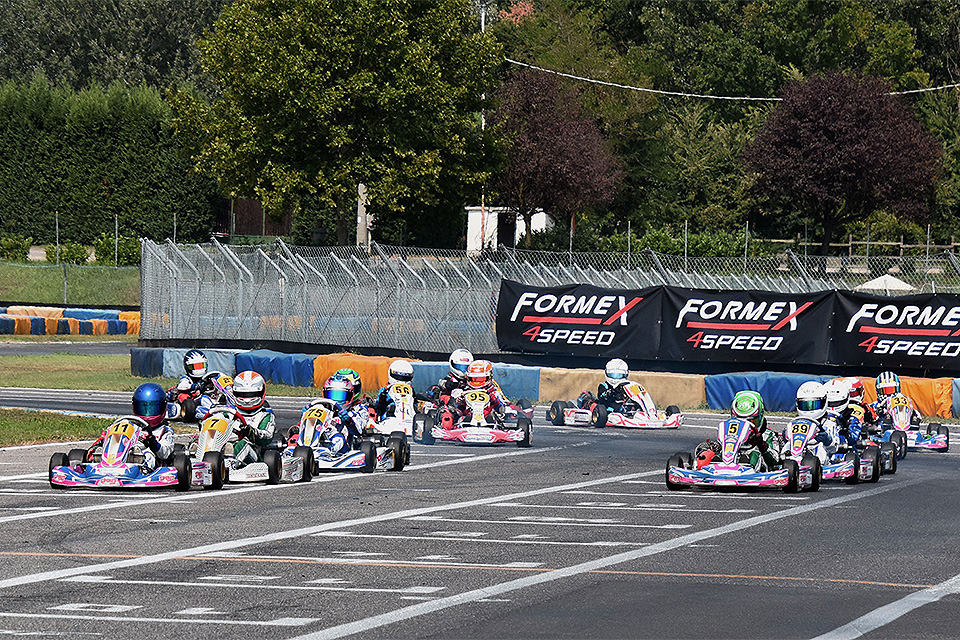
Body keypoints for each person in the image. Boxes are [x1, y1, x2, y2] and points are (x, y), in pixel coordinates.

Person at [229, 371, 277, 468]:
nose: (247, 399)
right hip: (225, 444)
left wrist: (251, 432)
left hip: (253, 451)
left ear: (261, 393)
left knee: (242, 444)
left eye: (251, 394)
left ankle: (228, 465)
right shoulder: (228, 413)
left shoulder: (265, 416)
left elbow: (267, 437)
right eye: (242, 394)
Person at [731, 390, 781, 472]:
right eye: (740, 420)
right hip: (731, 460)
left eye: (751, 421)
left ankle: (748, 466)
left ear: (760, 416)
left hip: (759, 469)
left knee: (754, 453)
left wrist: (762, 445)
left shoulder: (768, 435)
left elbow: (775, 460)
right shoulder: (731, 432)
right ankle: (715, 464)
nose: (746, 425)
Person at [132, 382, 175, 471]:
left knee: (147, 454)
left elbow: (165, 454)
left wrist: (155, 445)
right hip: (128, 454)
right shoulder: (132, 427)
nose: (148, 414)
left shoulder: (165, 431)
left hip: (152, 460)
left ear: (164, 407)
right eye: (143, 409)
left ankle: (142, 468)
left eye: (152, 409)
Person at [317, 377, 366, 454]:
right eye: (332, 395)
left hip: (342, 442)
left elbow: (359, 431)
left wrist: (348, 421)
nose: (335, 400)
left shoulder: (352, 413)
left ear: (349, 397)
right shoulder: (321, 408)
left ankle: (329, 451)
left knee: (338, 439)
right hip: (319, 434)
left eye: (340, 396)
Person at [794, 381, 834, 451]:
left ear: (824, 402)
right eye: (805, 405)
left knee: (820, 447)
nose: (809, 409)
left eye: (814, 404)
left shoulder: (829, 424)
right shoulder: (795, 423)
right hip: (798, 454)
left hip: (821, 456)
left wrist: (828, 441)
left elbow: (835, 447)